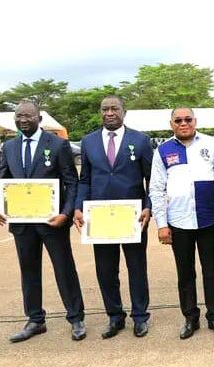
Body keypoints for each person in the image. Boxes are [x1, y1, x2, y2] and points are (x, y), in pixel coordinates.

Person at [0, 100, 86, 342]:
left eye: (28, 116)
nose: (23, 120)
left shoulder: (58, 145)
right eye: (18, 116)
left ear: (39, 118)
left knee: (64, 269)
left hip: (53, 221)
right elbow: (2, 179)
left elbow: (71, 181)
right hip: (22, 223)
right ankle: (35, 319)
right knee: (29, 270)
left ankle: (75, 317)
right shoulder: (9, 147)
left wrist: (65, 212)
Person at [73, 95, 154, 339]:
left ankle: (140, 316)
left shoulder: (140, 140)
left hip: (133, 217)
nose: (109, 113)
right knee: (106, 270)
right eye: (105, 109)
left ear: (124, 111)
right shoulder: (88, 142)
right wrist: (78, 206)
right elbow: (85, 178)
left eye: (114, 109)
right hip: (100, 218)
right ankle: (115, 316)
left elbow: (152, 179)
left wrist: (148, 206)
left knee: (136, 267)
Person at [149, 108, 214, 339]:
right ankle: (190, 317)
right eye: (178, 120)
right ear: (171, 124)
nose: (184, 123)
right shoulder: (163, 151)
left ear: (195, 121)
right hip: (178, 222)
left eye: (188, 119)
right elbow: (155, 189)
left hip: (209, 220)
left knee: (211, 270)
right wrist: (162, 224)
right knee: (185, 273)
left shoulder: (212, 144)